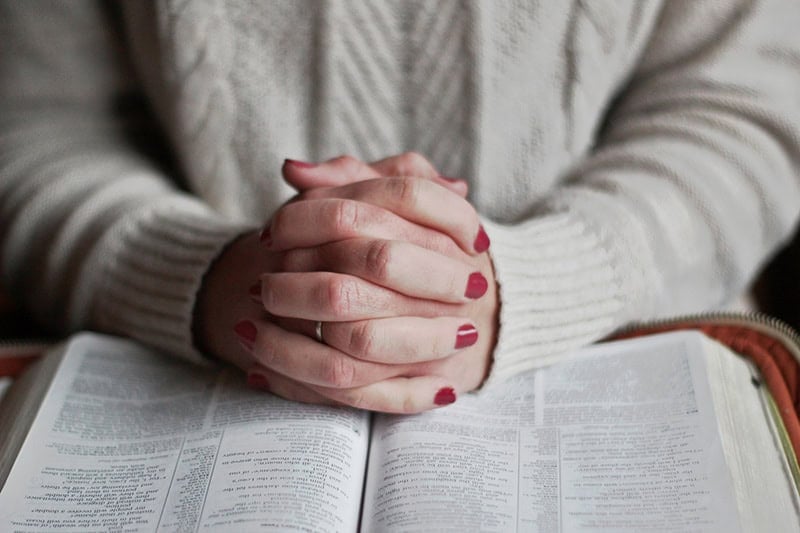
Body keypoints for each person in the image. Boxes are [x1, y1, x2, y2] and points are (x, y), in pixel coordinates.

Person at [1, 1, 799, 413]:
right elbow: (36, 127)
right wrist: (201, 275)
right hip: (186, 366)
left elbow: (748, 116)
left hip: (616, 348)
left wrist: (524, 286)